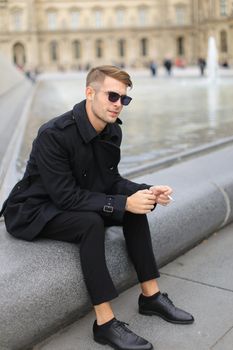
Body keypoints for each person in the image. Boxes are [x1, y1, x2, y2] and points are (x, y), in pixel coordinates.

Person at [0, 65, 194, 350]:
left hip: (71, 200)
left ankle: (150, 297)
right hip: (35, 209)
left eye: (124, 99)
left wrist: (145, 192)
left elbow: (110, 181)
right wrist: (122, 201)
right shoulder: (54, 134)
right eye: (112, 96)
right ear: (90, 92)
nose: (118, 105)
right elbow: (65, 197)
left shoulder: (112, 131)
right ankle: (104, 323)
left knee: (134, 207)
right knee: (91, 221)